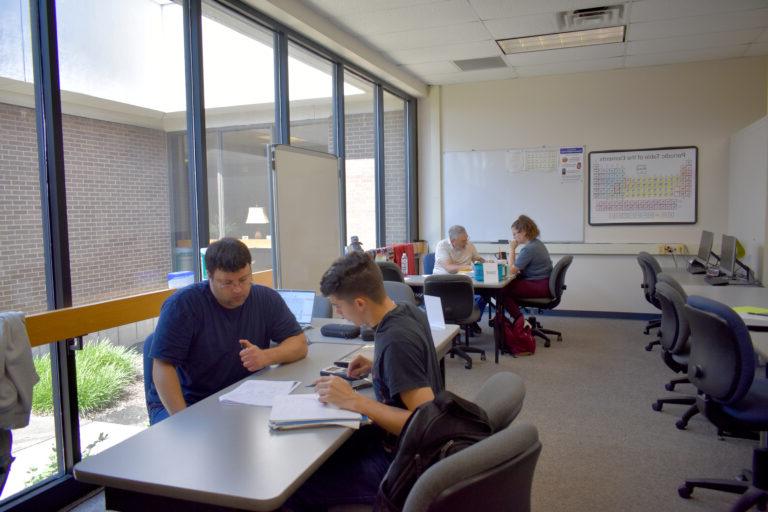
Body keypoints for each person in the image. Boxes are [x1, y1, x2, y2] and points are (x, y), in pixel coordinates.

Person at [285, 252, 443, 511]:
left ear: (359, 303)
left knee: (294, 489)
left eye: (338, 306)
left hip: (402, 466)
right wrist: (378, 364)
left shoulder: (395, 340)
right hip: (400, 450)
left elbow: (425, 424)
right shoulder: (406, 311)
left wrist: (353, 400)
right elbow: (414, 363)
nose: (338, 313)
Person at [146, 237, 308, 425]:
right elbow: (163, 367)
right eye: (227, 283)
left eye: (244, 279)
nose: (238, 289)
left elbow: (299, 343)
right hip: (186, 402)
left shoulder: (265, 299)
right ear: (210, 276)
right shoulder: (183, 306)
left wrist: (266, 356)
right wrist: (183, 420)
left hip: (237, 396)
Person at [433, 225, 486, 333]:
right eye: (463, 241)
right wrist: (470, 267)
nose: (466, 243)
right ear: (453, 241)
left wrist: (487, 263)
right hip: (443, 284)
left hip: (466, 283)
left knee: (487, 294)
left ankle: (469, 319)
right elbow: (449, 268)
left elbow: (478, 259)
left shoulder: (469, 245)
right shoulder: (442, 246)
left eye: (467, 239)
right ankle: (465, 319)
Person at [503, 215, 553, 320]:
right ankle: (518, 319)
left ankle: (520, 321)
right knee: (506, 287)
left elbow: (511, 271)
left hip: (539, 285)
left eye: (515, 234)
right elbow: (516, 269)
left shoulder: (529, 249)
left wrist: (512, 249)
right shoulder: (537, 244)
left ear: (524, 231)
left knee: (501, 290)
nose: (514, 237)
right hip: (543, 283)